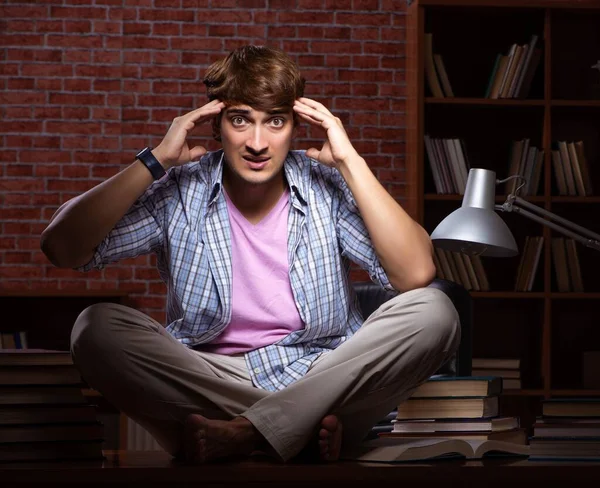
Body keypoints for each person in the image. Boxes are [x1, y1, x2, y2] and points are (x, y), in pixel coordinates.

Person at [40, 45, 460, 464]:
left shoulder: (323, 186)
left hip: (320, 372)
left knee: (435, 311)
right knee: (94, 328)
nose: (258, 143)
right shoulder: (180, 191)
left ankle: (243, 434)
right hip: (213, 376)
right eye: (241, 120)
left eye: (275, 121)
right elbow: (62, 248)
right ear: (216, 124)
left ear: (296, 125)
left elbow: (416, 273)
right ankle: (297, 432)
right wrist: (156, 161)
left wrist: (350, 161)